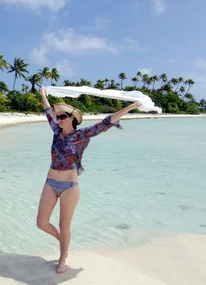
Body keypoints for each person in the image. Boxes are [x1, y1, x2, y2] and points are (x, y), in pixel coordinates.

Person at [37, 86, 142, 274]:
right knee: (41, 223)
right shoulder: (55, 131)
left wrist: (130, 107)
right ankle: (63, 240)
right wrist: (43, 95)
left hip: (70, 186)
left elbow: (105, 123)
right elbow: (47, 112)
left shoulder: (82, 136)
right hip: (50, 183)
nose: (58, 119)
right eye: (58, 117)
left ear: (72, 118)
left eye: (62, 117)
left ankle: (63, 258)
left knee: (64, 225)